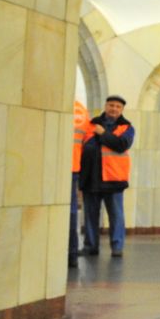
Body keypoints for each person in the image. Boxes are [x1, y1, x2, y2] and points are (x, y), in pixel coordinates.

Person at [77, 94, 135, 258]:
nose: (114, 109)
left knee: (116, 215)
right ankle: (90, 246)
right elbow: (83, 147)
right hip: (91, 179)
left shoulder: (127, 127)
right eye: (111, 105)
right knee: (90, 216)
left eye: (118, 106)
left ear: (122, 109)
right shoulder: (91, 124)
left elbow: (121, 144)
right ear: (105, 106)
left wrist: (103, 134)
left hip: (114, 179)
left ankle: (117, 247)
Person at [68, 98, 89, 268]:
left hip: (56, 166)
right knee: (71, 212)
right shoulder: (80, 109)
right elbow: (87, 142)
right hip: (74, 166)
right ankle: (72, 254)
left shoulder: (54, 101)